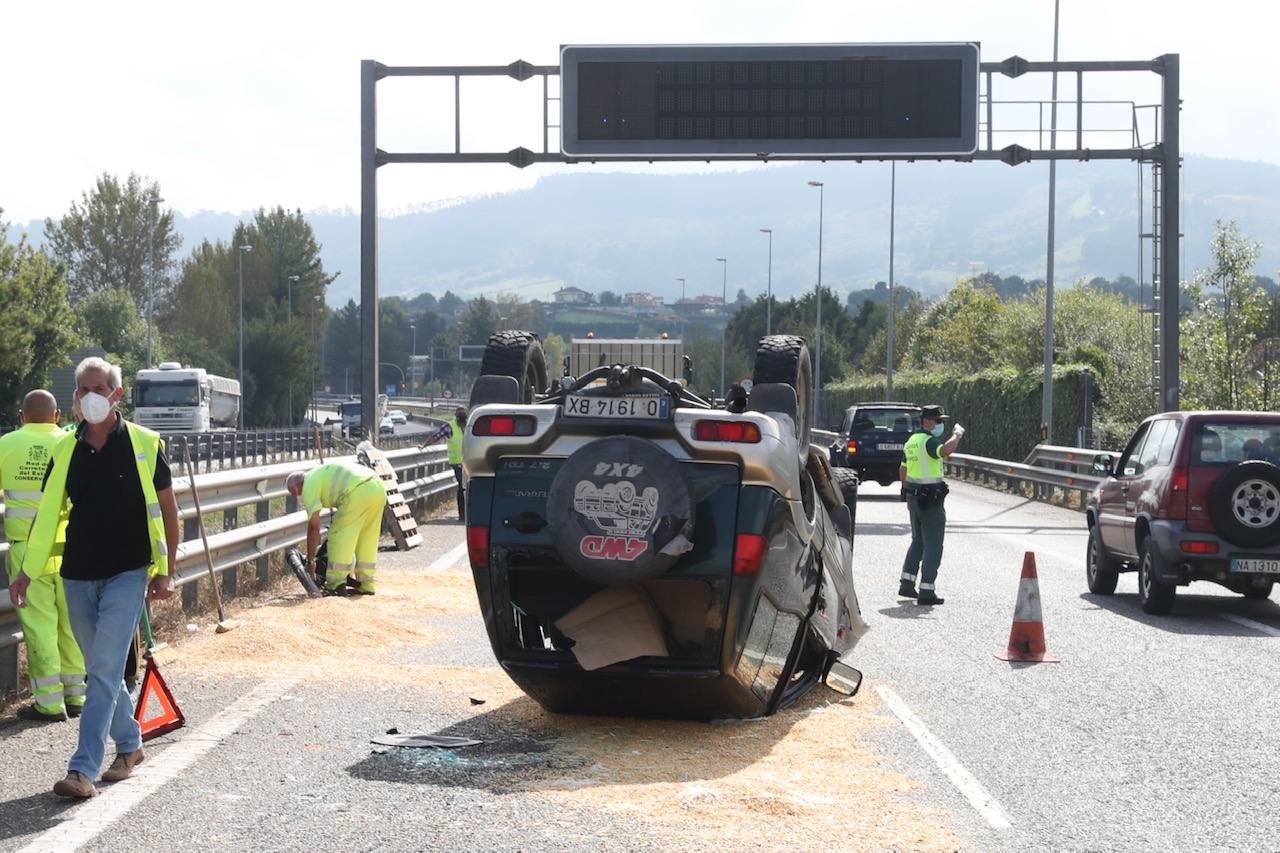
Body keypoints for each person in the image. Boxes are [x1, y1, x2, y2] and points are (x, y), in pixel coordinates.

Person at [9, 357, 179, 799]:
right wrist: (27, 571)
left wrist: (167, 570)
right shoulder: (64, 449)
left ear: (117, 395)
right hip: (77, 573)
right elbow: (46, 515)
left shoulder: (144, 443)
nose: (89, 397)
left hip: (128, 571)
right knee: (98, 670)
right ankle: (130, 744)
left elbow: (168, 510)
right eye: (82, 390)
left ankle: (82, 769)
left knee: (102, 670)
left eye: (98, 389)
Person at [0, 390, 86, 722]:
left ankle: (49, 704)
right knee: (72, 624)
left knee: (40, 627)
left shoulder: (7, 444)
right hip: (72, 549)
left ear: (22, 416)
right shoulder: (71, 443)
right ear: (57, 415)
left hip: (26, 552)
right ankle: (77, 695)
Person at [286, 458, 388, 596]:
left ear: (298, 485)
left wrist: (311, 562)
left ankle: (336, 585)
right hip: (378, 487)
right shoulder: (319, 474)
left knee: (338, 535)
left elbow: (313, 528)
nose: (299, 497)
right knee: (366, 538)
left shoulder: (308, 485)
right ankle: (366, 584)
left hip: (358, 491)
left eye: (296, 493)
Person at [898, 404, 964, 606]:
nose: (941, 424)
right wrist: (957, 435)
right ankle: (927, 592)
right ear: (927, 421)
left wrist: (905, 490)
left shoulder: (911, 441)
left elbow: (903, 468)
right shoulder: (927, 441)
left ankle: (907, 584)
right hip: (930, 501)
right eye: (938, 421)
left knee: (917, 540)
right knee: (933, 544)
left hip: (913, 497)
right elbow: (945, 451)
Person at [419, 406, 467, 522]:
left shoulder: (471, 426)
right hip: (458, 463)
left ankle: (469, 513)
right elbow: (436, 436)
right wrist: (424, 445)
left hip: (471, 461)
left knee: (471, 488)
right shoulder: (450, 427)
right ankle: (462, 514)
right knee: (462, 487)